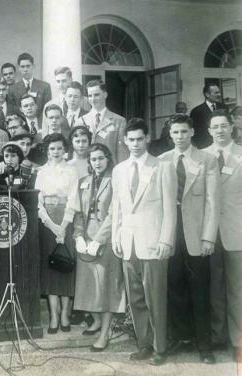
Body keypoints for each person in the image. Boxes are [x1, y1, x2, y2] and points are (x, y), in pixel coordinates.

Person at [111, 118, 177, 366]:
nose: (136, 144)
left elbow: (170, 208)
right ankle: (144, 344)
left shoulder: (162, 167)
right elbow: (117, 206)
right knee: (135, 298)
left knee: (155, 299)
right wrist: (116, 236)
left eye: (140, 139)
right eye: (131, 139)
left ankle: (160, 347)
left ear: (147, 138)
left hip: (153, 241)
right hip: (129, 242)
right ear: (125, 141)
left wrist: (166, 240)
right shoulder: (119, 170)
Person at [158, 114, 219, 364]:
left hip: (196, 232)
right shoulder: (161, 161)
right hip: (171, 232)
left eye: (184, 132)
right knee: (174, 287)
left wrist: (208, 238)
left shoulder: (207, 160)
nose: (180, 137)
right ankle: (181, 338)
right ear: (170, 135)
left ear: (192, 132)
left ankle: (204, 345)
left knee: (201, 289)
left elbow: (212, 202)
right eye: (175, 132)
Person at [72, 143, 126, 351]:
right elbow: (78, 213)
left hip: (106, 240)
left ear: (108, 159)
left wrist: (99, 240)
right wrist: (78, 236)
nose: (97, 163)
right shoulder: (83, 182)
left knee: (106, 289)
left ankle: (104, 334)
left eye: (100, 158)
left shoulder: (115, 181)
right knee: (88, 286)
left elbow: (115, 214)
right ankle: (96, 321)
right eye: (93, 159)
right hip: (86, 239)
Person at [203, 110, 242, 362]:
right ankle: (217, 336)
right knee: (213, 287)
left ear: (232, 127)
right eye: (215, 126)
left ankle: (237, 339)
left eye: (223, 125)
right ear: (208, 131)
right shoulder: (202, 156)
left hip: (237, 230)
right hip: (208, 233)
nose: (219, 130)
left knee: (238, 288)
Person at [34, 133, 78, 334]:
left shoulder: (72, 170)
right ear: (47, 150)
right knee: (51, 267)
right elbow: (38, 202)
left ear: (65, 149)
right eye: (52, 149)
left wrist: (64, 226)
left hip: (66, 222)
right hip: (48, 223)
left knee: (66, 265)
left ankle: (65, 314)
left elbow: (73, 199)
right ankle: (53, 315)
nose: (56, 152)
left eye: (59, 148)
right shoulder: (41, 171)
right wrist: (51, 225)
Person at [75, 80, 127, 163]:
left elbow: (122, 153)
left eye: (96, 95)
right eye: (90, 96)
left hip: (109, 170)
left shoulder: (119, 121)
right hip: (87, 169)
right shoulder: (80, 121)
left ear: (105, 94)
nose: (93, 99)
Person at [8, 52, 52, 119]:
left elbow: (48, 109)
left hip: (41, 124)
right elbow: (12, 111)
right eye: (22, 67)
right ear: (19, 68)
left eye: (28, 66)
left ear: (33, 66)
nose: (25, 69)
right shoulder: (12, 89)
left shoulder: (45, 87)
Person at [190, 83, 228, 149]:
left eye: (219, 92)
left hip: (223, 146)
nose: (219, 95)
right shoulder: (196, 111)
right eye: (216, 93)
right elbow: (193, 132)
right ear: (207, 94)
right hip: (204, 147)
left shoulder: (224, 108)